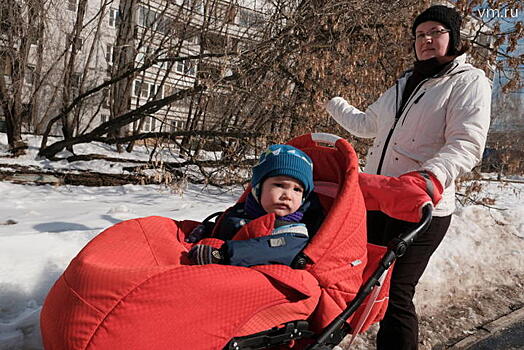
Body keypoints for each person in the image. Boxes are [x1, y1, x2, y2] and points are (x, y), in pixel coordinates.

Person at [325, 5, 491, 350]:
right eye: (420, 34)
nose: (427, 40)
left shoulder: (468, 81)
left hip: (422, 206)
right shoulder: (405, 83)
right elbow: (368, 125)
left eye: (436, 32)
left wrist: (431, 177)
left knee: (397, 293)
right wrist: (332, 102)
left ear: (454, 38)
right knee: (362, 278)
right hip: (379, 198)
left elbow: (466, 144)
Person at [188, 144, 324, 268]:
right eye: (279, 185)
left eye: (297, 190)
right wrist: (207, 229)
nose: (287, 195)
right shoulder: (243, 211)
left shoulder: (294, 233)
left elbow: (265, 251)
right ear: (258, 188)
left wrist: (222, 255)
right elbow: (231, 228)